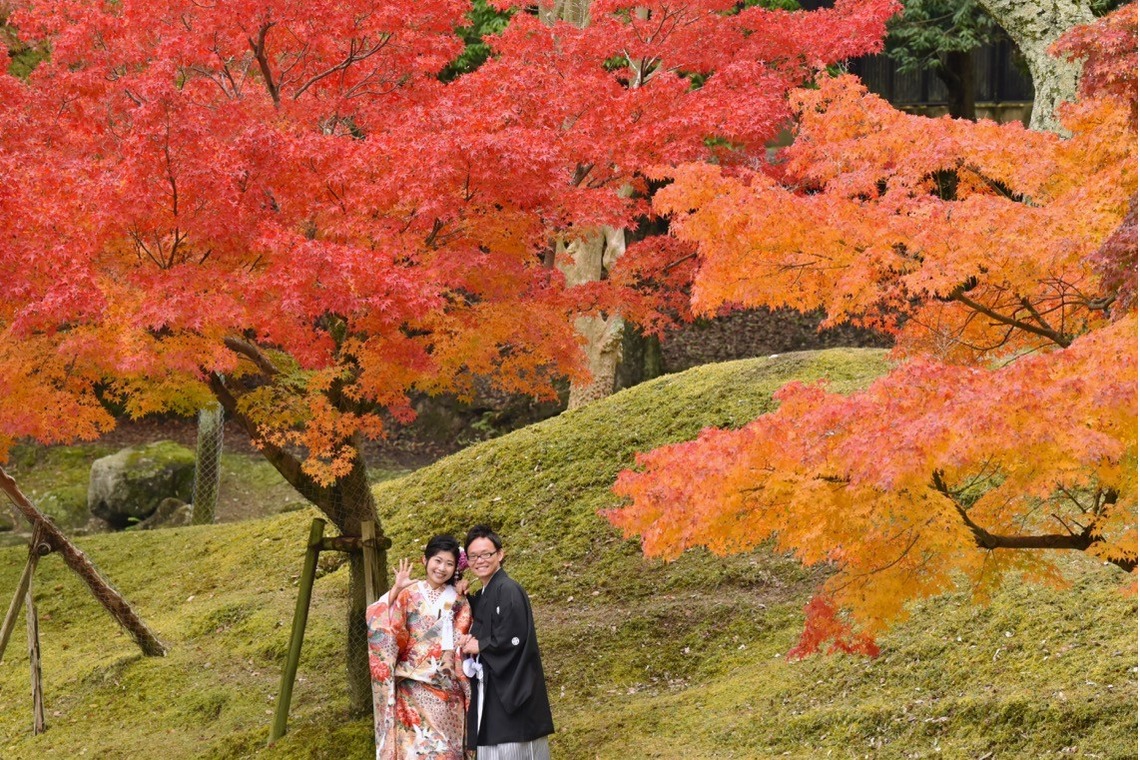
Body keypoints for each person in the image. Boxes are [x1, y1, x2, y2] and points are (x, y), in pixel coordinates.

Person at [367, 535, 472, 760]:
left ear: (455, 569)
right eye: (437, 560)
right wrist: (396, 589)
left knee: (445, 751)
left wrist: (446, 658)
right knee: (412, 751)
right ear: (425, 560)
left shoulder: (459, 600)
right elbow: (383, 623)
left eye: (449, 563)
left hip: (445, 688)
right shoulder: (408, 593)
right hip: (411, 686)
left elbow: (462, 636)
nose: (442, 568)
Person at [458, 524, 554, 759]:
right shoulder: (488, 592)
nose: (480, 561)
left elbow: (514, 636)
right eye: (473, 556)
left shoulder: (508, 589)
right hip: (493, 688)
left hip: (514, 689)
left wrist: (481, 645)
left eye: (486, 554)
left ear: (500, 554)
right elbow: (483, 620)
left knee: (513, 748)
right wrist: (465, 596)